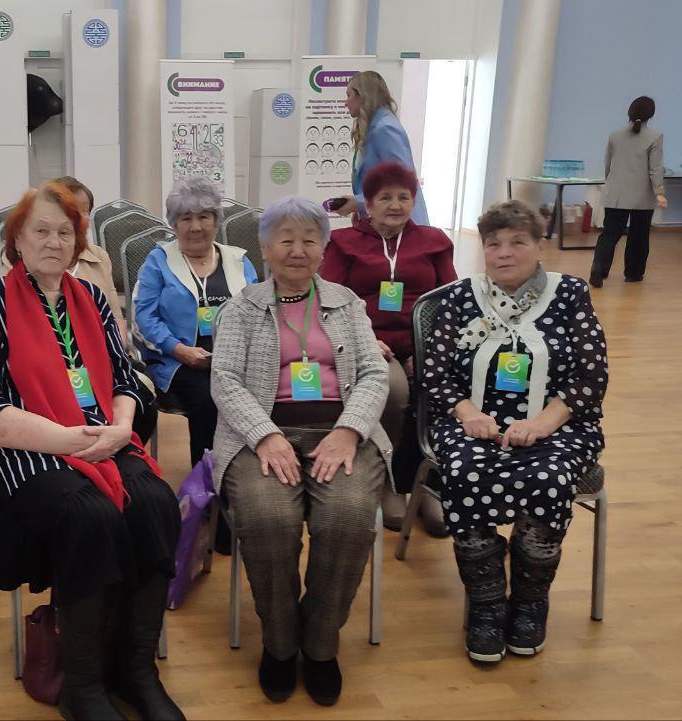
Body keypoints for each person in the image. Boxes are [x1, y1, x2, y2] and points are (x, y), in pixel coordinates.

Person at [0, 182, 182, 721]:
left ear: (78, 242)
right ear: (17, 239)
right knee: (89, 514)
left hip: (101, 437)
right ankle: (83, 685)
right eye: (41, 230)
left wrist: (121, 429)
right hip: (27, 450)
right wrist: (66, 440)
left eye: (65, 232)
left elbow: (126, 378)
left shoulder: (92, 299)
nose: (54, 242)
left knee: (156, 501)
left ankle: (135, 670)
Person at [210, 196, 391, 706]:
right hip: (260, 436)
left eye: (309, 239)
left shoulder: (347, 303)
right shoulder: (241, 308)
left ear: (324, 248)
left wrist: (350, 430)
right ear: (264, 248)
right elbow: (224, 380)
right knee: (268, 519)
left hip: (340, 433)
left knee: (348, 517)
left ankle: (320, 643)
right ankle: (280, 642)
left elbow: (375, 373)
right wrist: (265, 435)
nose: (297, 250)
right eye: (285, 240)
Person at [421, 200, 607, 663]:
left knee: (548, 477)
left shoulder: (569, 294)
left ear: (539, 245)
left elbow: (591, 375)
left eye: (517, 242)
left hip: (558, 426)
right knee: (464, 472)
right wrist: (468, 414)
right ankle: (486, 604)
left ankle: (529, 602)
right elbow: (435, 376)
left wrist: (543, 424)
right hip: (471, 423)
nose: (504, 253)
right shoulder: (461, 297)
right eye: (493, 244)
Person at [322, 161, 457, 534]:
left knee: (441, 390)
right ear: (368, 203)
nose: (395, 205)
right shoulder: (345, 243)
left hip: (423, 343)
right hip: (369, 342)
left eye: (404, 197)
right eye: (385, 198)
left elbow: (451, 299)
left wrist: (432, 348)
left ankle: (429, 483)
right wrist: (364, 340)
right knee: (395, 390)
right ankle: (391, 482)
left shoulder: (433, 240)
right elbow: (328, 299)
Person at [1, 175, 159, 443]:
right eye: (42, 231)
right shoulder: (11, 282)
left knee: (141, 401)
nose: (54, 241)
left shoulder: (97, 267)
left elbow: (113, 313)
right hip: (44, 376)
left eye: (83, 211)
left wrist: (118, 349)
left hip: (96, 364)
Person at [133, 175, 258, 468]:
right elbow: (144, 318)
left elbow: (256, 312)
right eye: (186, 218)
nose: (196, 226)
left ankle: (246, 473)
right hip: (177, 360)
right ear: (174, 224)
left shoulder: (238, 260)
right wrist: (180, 350)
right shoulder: (158, 261)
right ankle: (206, 480)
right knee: (210, 397)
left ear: (216, 220)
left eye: (204, 217)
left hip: (233, 357)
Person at [330, 71, 429, 226]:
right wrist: (362, 209)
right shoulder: (373, 128)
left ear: (362, 96)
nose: (345, 103)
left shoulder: (385, 129)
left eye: (349, 95)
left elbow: (403, 182)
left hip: (400, 223)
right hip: (385, 220)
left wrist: (360, 203)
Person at [591, 96, 667, 287]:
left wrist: (610, 183)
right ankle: (633, 273)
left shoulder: (614, 135)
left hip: (615, 193)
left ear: (630, 112)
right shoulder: (655, 137)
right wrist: (659, 192)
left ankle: (599, 268)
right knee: (639, 235)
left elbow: (608, 164)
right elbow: (655, 169)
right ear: (651, 114)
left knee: (610, 233)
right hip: (642, 195)